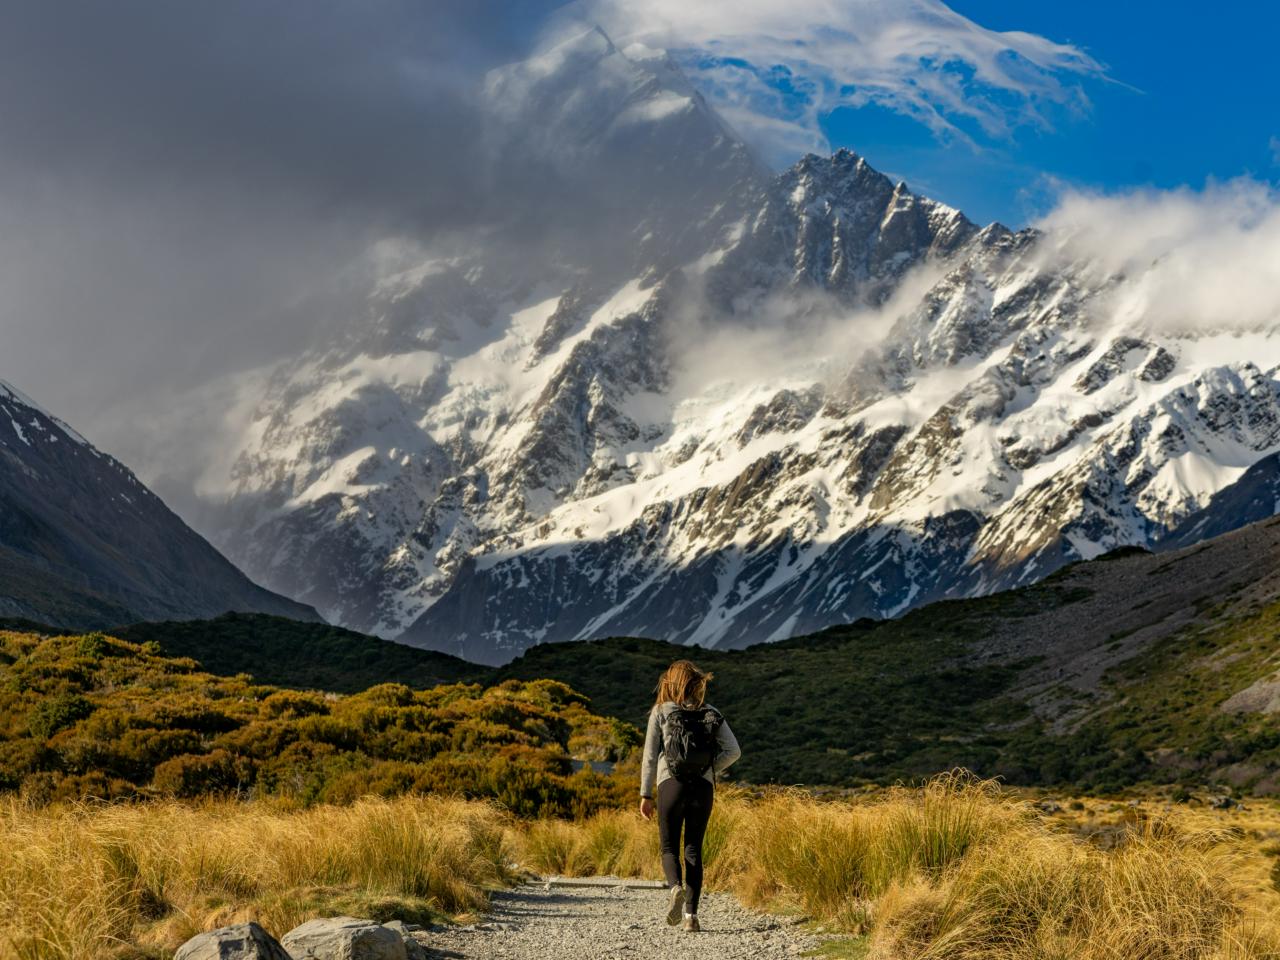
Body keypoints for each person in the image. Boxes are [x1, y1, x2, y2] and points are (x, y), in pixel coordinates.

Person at [639, 659, 741, 933]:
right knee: (694, 849)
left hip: (670, 785)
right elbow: (734, 751)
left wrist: (645, 794)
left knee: (669, 847)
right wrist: (708, 768)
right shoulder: (712, 713)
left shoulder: (661, 711)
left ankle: (675, 888)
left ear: (670, 682)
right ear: (696, 684)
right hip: (703, 788)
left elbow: (649, 757)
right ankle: (691, 918)